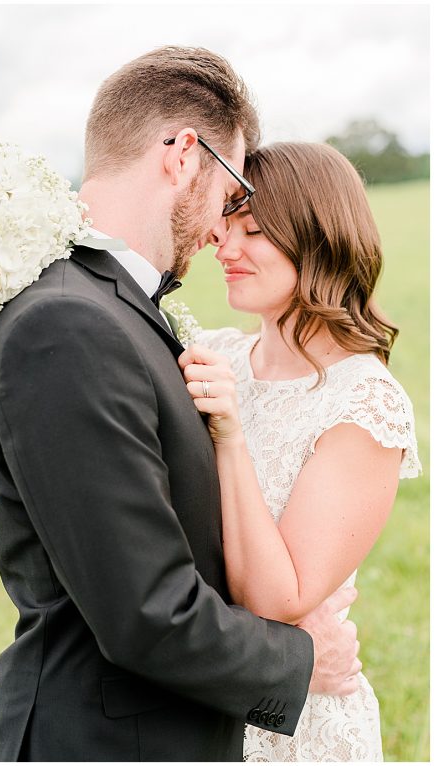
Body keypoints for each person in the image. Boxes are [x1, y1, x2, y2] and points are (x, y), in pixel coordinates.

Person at [0, 47, 360, 761]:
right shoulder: (68, 324)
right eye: (231, 188)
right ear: (185, 155)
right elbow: (145, 611)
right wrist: (302, 660)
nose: (220, 227)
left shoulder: (111, 309)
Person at [181, 141, 420, 761]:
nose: (225, 248)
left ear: (318, 240)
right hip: (198, 704)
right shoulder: (215, 355)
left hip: (299, 727)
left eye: (253, 230)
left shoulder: (364, 405)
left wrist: (229, 439)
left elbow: (280, 599)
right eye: (225, 225)